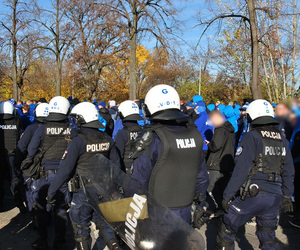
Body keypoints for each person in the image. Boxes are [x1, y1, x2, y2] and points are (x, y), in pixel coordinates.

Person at [216, 99, 294, 250]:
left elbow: (241, 169)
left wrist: (227, 195)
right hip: (274, 196)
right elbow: (289, 169)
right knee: (268, 238)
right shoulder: (281, 138)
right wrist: (286, 195)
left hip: (254, 193)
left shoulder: (252, 136)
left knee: (227, 226)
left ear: (252, 116)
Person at [129, 84, 209, 225]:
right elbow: (202, 178)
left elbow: (138, 183)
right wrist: (198, 205)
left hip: (157, 214)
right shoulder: (193, 133)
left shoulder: (151, 138)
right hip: (186, 210)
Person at [47, 102, 121, 250]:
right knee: (102, 221)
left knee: (80, 227)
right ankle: (115, 246)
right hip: (103, 189)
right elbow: (116, 165)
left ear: (81, 119)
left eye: (76, 118)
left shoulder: (78, 141)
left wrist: (51, 192)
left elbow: (65, 170)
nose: (75, 121)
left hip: (83, 191)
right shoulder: (107, 138)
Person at [24, 96, 71, 249]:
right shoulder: (71, 130)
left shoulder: (41, 128)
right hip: (63, 175)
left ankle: (42, 240)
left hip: (44, 174)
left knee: (41, 207)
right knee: (61, 207)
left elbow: (31, 150)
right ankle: (60, 242)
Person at [14, 103, 49, 213]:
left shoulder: (31, 128)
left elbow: (22, 146)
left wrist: (18, 164)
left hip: (33, 167)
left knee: (31, 192)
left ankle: (36, 217)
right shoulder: (55, 128)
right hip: (50, 165)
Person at [205, 110, 235, 215]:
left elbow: (216, 146)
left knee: (210, 187)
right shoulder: (230, 129)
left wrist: (209, 144)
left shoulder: (220, 129)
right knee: (222, 187)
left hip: (216, 162)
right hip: (226, 162)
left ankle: (215, 207)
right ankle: (223, 207)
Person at [0, 101, 23, 212]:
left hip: (1, 155)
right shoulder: (17, 121)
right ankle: (19, 202)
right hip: (12, 154)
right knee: (14, 179)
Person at [114, 100, 143, 173]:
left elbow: (118, 156)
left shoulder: (122, 134)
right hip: (142, 169)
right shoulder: (144, 131)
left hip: (127, 171)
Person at [289, 114, 300, 228]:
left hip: (297, 162)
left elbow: (296, 149)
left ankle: (298, 215)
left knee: (298, 190)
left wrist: (289, 158)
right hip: (296, 162)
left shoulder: (298, 131)